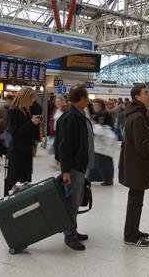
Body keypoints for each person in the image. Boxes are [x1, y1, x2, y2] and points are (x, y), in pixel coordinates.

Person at [55, 85, 94, 251]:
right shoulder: (71, 117)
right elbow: (65, 146)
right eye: (87, 97)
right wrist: (66, 170)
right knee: (71, 201)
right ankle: (69, 235)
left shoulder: (77, 115)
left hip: (78, 165)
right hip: (73, 167)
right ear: (82, 98)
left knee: (75, 200)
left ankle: (73, 230)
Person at [119, 84, 149, 247]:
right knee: (135, 201)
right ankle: (130, 236)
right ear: (137, 97)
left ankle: (133, 229)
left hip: (132, 163)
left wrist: (148, 134)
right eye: (146, 93)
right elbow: (142, 146)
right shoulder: (138, 117)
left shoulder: (134, 114)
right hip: (137, 165)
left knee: (136, 200)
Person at [5, 87, 40, 196]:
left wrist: (36, 126)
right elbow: (15, 132)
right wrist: (31, 123)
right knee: (13, 178)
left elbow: (28, 129)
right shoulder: (12, 112)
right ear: (24, 98)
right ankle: (7, 201)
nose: (32, 103)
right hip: (17, 150)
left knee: (24, 178)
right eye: (31, 100)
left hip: (26, 149)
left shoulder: (26, 111)